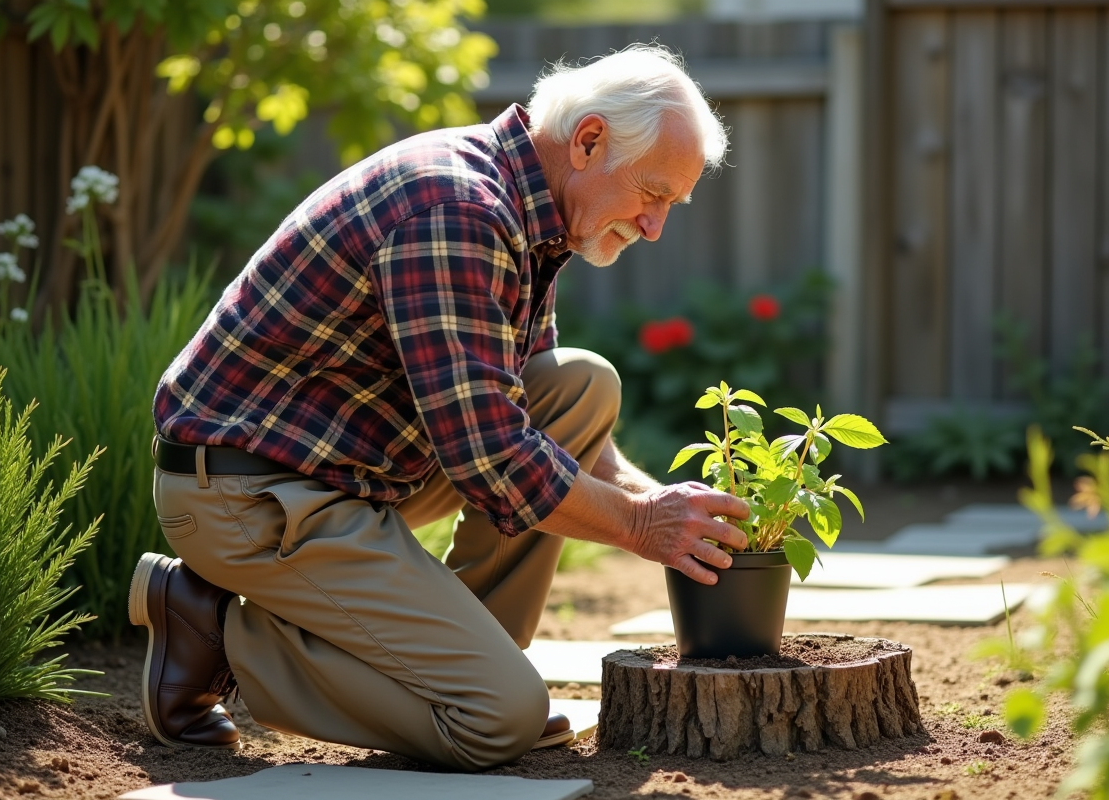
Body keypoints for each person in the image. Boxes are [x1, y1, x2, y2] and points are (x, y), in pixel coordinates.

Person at [130, 43, 749, 771]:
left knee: (579, 384)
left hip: (350, 472)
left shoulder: (531, 211)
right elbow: (496, 462)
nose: (654, 227)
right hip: (250, 493)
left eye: (670, 207)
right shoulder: (457, 208)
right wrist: (643, 527)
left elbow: (533, 415)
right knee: (497, 721)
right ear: (588, 141)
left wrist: (666, 504)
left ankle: (454, 662)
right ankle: (213, 628)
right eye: (652, 194)